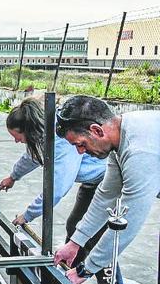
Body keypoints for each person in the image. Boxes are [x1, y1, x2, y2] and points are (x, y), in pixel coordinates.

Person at [0, 98, 120, 284]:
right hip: (91, 183)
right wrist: (13, 177)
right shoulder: (42, 135)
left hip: (105, 182)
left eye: (17, 136)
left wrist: (28, 215)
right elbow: (31, 157)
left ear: (29, 131)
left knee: (95, 236)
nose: (16, 141)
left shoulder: (62, 139)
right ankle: (70, 275)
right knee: (74, 227)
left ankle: (109, 281)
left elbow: (57, 187)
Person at [53, 95, 160, 284]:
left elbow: (129, 221)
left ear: (96, 130)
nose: (80, 152)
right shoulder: (120, 136)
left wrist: (86, 269)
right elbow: (106, 196)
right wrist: (75, 242)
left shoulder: (140, 151)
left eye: (81, 144)